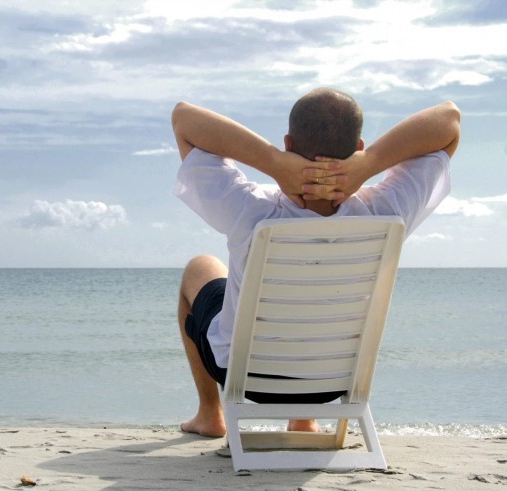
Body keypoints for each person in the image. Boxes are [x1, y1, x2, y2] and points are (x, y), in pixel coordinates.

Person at [172, 88, 460, 438]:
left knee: (200, 266)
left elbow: (184, 118)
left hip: (244, 376)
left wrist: (273, 162)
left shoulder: (251, 210)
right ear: (357, 147)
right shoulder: (386, 212)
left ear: (288, 143)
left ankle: (209, 415)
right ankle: (305, 419)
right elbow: (449, 121)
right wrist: (369, 164)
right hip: (333, 380)